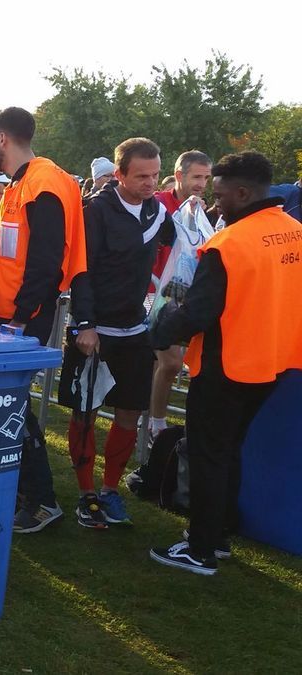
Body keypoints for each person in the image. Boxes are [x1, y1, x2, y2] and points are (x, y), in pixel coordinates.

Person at [149, 151, 302, 575]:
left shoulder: (228, 244)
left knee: (207, 454)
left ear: (243, 192)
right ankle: (218, 536)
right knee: (229, 451)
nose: (216, 206)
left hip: (227, 363)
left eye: (221, 196)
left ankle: (200, 548)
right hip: (274, 362)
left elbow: (197, 313)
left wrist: (159, 330)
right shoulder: (296, 233)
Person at [0, 106, 87, 534]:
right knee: (11, 404)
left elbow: (45, 262)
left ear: (3, 138)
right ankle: (27, 492)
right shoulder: (23, 182)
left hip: (24, 316)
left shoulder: (43, 182)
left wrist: (20, 321)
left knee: (13, 407)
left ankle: (42, 500)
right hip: (14, 313)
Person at [62, 138, 173, 530]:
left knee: (129, 411)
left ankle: (110, 489)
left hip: (135, 329)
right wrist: (85, 324)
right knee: (85, 413)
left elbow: (179, 249)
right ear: (119, 174)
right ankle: (85, 493)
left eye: (156, 174)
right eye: (142, 175)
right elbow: (81, 271)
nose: (150, 182)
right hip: (96, 330)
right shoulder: (97, 210)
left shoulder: (158, 210)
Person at [149, 151, 212, 439]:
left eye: (206, 178)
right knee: (171, 362)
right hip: (151, 292)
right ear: (179, 175)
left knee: (164, 362)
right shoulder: (160, 202)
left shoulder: (200, 209)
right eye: (197, 176)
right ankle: (156, 423)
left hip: (179, 294)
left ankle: (149, 415)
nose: (202, 183)